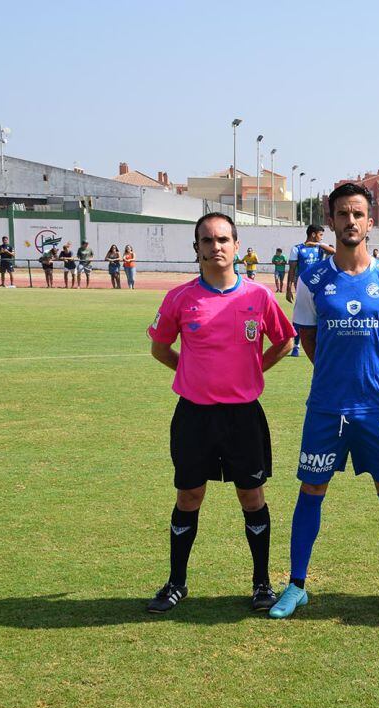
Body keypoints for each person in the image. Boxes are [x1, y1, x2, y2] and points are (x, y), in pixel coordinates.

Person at [269, 183, 379, 619]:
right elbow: (308, 339)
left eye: (358, 214)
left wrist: (378, 379)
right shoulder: (313, 280)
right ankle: (297, 585)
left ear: (369, 222)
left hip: (376, 409)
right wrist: (334, 376)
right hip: (326, 407)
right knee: (311, 489)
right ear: (331, 221)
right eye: (342, 214)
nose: (350, 221)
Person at [145, 212, 295, 614]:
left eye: (223, 239)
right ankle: (177, 582)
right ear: (197, 248)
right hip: (194, 415)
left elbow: (284, 341)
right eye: (208, 240)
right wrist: (192, 372)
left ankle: (261, 583)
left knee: (251, 495)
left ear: (237, 246)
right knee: (189, 494)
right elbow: (160, 348)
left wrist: (253, 370)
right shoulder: (179, 298)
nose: (216, 247)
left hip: (243, 416)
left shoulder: (258, 296)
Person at [286, 224, 335, 357]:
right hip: (303, 287)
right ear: (313, 234)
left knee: (320, 315)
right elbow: (292, 269)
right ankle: (296, 346)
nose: (321, 237)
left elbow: (334, 252)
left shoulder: (320, 248)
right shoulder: (297, 249)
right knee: (300, 316)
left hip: (320, 286)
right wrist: (288, 289)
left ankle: (320, 344)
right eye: (320, 234)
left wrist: (318, 244)